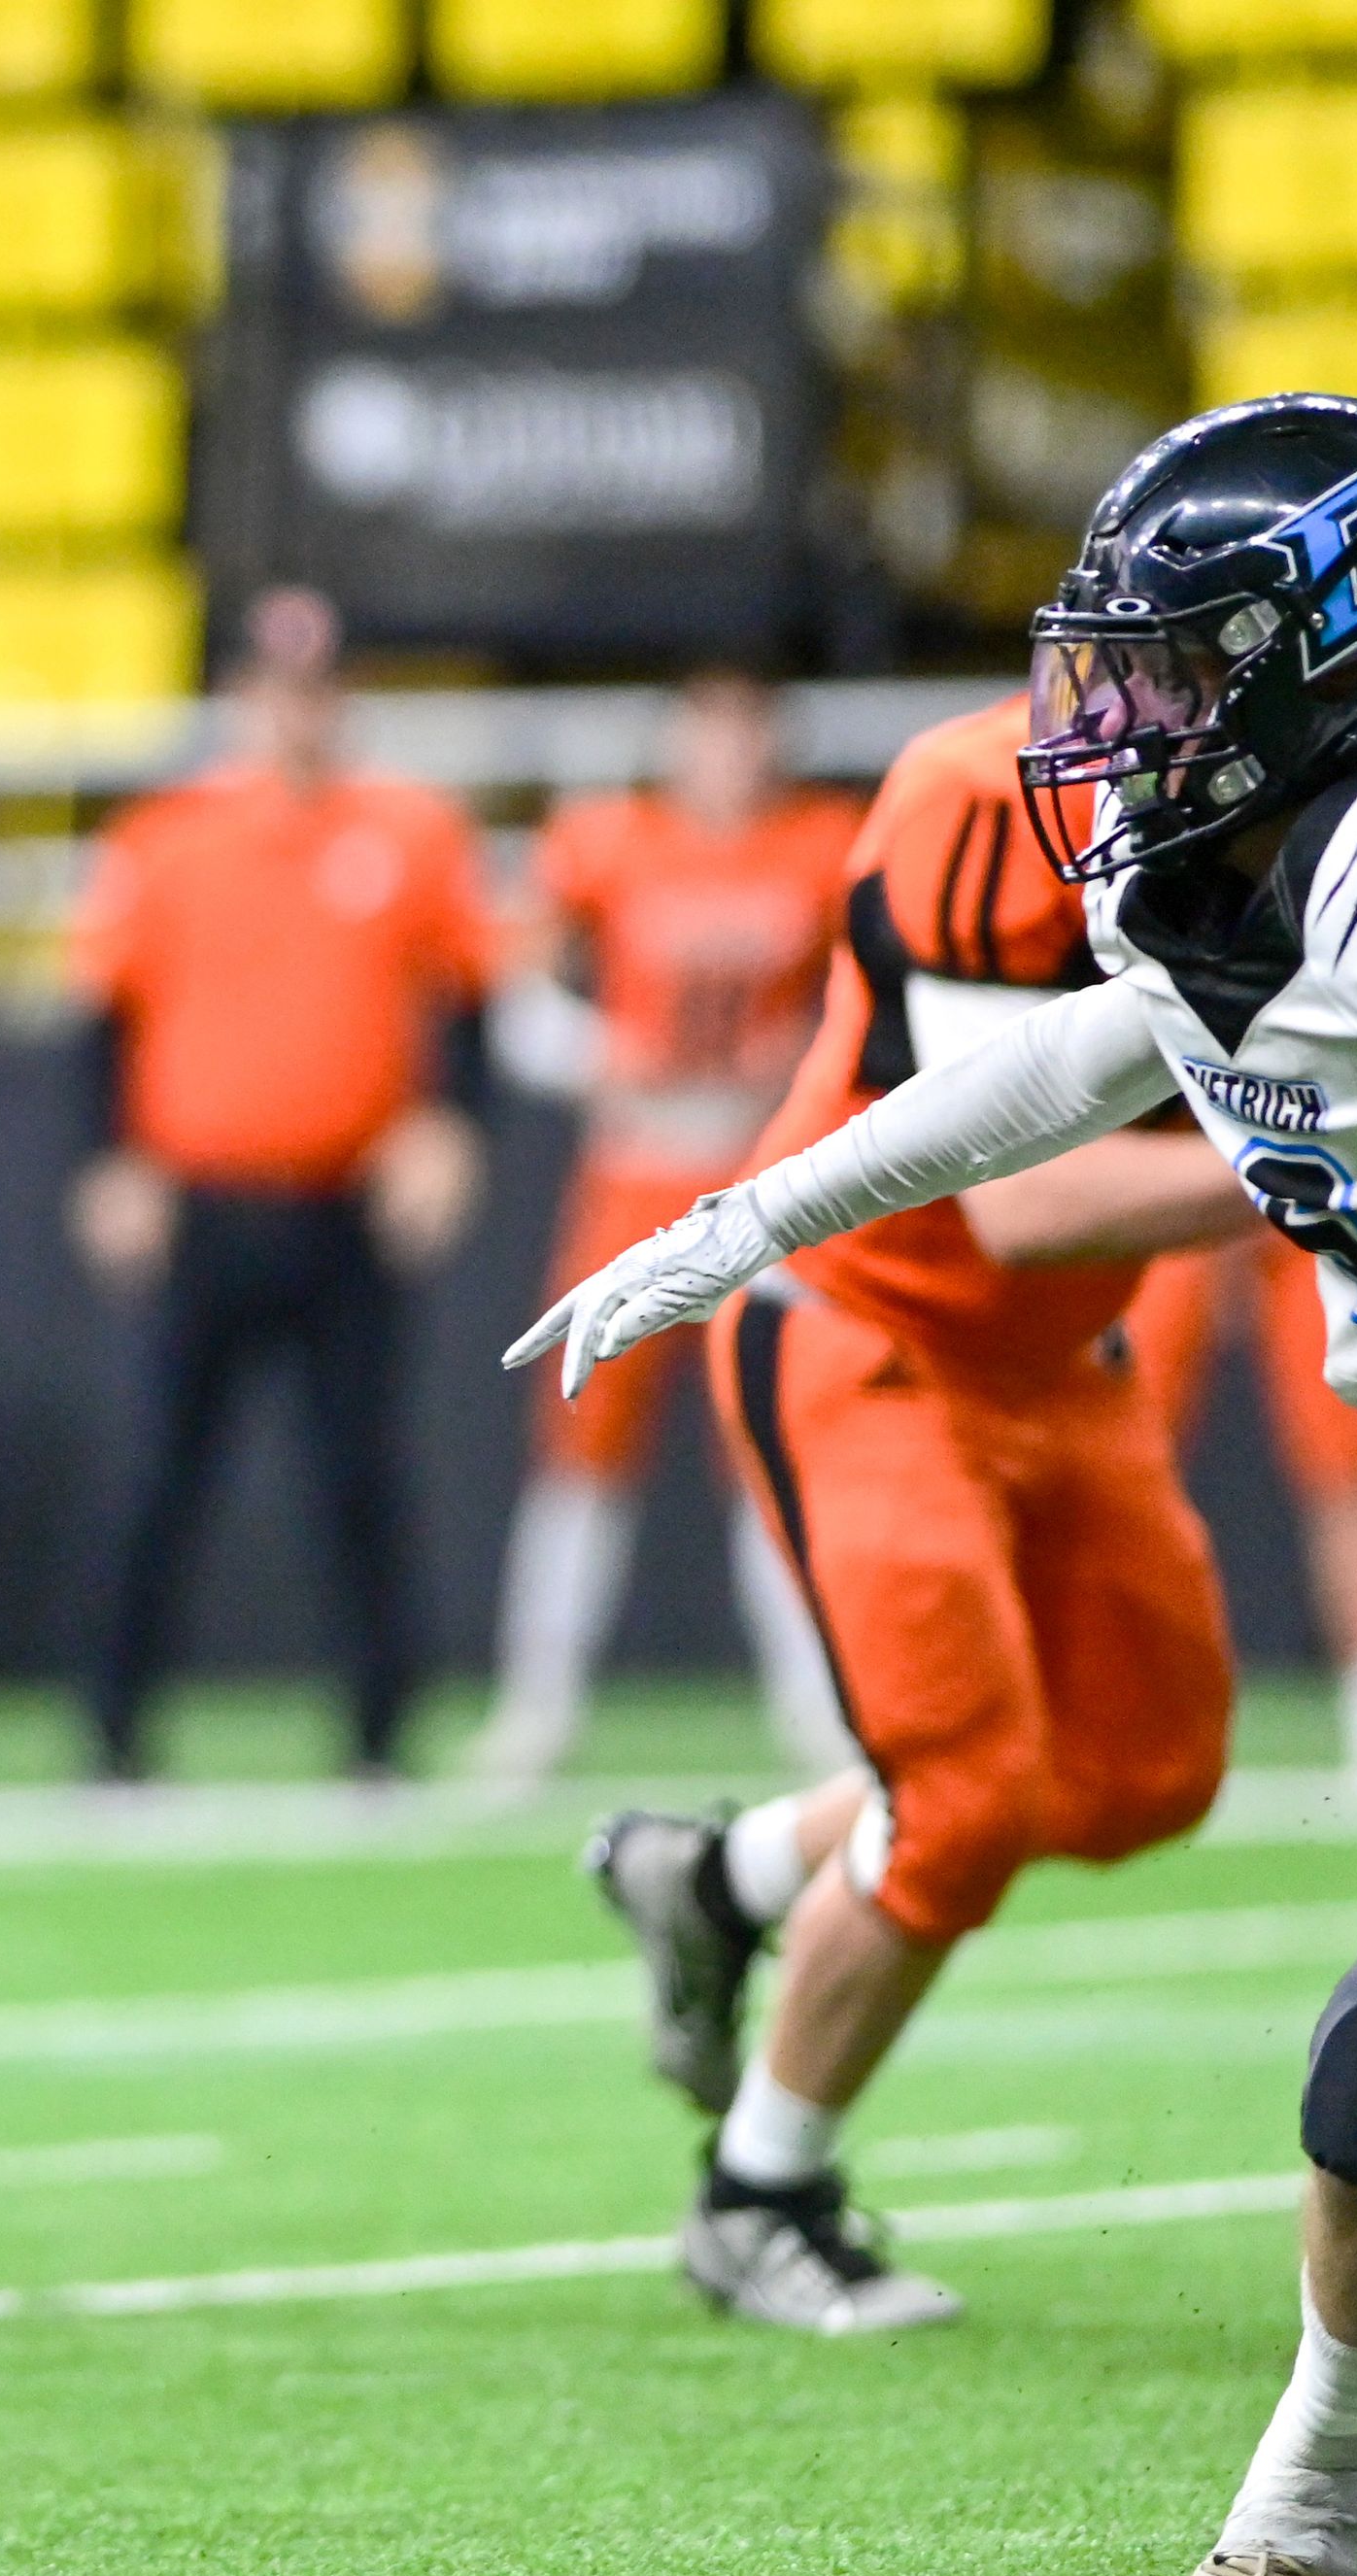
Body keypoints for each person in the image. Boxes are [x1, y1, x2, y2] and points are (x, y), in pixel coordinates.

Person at [515, 392, 1357, 2576]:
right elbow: (1040, 1081)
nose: (1113, 717)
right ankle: (747, 1973)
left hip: (1202, 1437)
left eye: (1171, 669)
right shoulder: (1209, 869)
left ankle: (1297, 2523)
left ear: (1331, 651)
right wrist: (737, 1215)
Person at [572, 694, 1254, 2332]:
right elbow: (1017, 1196)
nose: (1124, 692)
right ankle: (760, 2191)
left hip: (1055, 1358)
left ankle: (724, 1876)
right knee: (960, 1789)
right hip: (863, 1323)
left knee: (1140, 1771)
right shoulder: (979, 795)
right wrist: (1340, 1151)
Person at [70, 588, 491, 1783]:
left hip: (344, 1198)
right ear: (240, 697)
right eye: (274, 687)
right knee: (160, 1470)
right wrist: (111, 1159)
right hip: (203, 1197)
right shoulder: (163, 839)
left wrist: (448, 1128)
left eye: (317, 688)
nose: (296, 712)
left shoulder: (409, 831)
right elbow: (106, 1013)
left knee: (359, 1471)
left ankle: (380, 1725)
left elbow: (464, 995)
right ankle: (113, 1722)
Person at [469, 672, 863, 1786]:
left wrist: (808, 1054)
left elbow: (877, 990)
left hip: (768, 1176)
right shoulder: (608, 841)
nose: (729, 753)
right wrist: (603, 1053)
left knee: (774, 1444)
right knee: (583, 1442)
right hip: (636, 1164)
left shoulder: (822, 842)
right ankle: (537, 1703)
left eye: (748, 730)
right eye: (711, 729)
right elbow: (520, 1002)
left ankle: (815, 1705)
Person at [1129, 1235, 1357, 1785]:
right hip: (1159, 1175)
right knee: (1118, 1446)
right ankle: (1098, 1690)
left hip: (1312, 1180)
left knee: (1344, 1451)